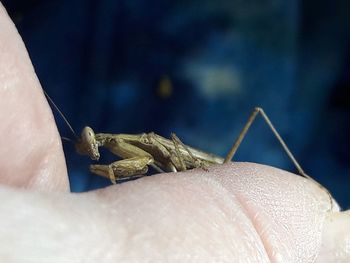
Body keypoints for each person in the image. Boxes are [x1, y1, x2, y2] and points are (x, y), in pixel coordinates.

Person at [0, 3, 348, 262]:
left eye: (89, 142)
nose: (89, 148)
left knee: (270, 113)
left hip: (220, 165)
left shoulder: (138, 145)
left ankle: (305, 174)